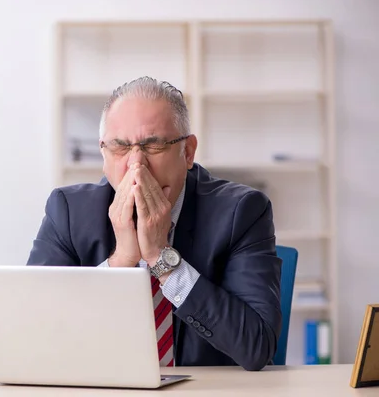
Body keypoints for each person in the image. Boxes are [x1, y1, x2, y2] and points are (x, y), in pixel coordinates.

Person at [27, 76, 282, 371]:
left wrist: (162, 259)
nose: (136, 164)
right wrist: (121, 261)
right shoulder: (68, 211)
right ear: (103, 154)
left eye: (154, 146)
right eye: (120, 147)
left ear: (187, 152)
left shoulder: (242, 212)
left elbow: (256, 348)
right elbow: (35, 335)